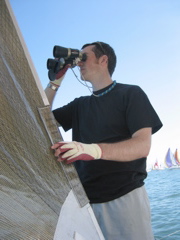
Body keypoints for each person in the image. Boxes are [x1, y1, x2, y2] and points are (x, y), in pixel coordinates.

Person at [45, 41, 163, 240]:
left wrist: (93, 150)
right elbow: (39, 116)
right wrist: (55, 82)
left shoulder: (131, 94)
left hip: (124, 199)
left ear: (103, 60)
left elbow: (143, 145)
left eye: (84, 57)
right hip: (84, 205)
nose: (79, 62)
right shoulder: (79, 105)